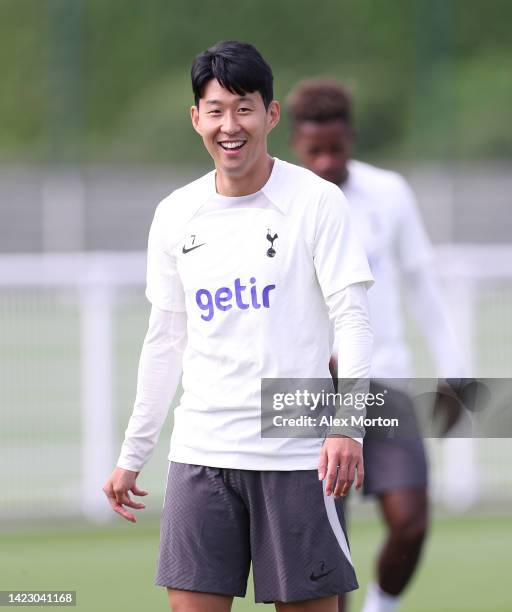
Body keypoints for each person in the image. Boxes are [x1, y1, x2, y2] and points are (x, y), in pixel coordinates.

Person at [103, 42, 375, 612]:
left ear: (271, 115)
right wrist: (134, 452)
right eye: (217, 109)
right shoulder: (176, 213)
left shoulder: (317, 203)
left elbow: (351, 318)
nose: (231, 125)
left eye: (245, 108)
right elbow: (165, 339)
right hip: (201, 453)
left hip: (296, 455)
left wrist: (348, 425)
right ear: (196, 118)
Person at [286, 79, 466, 612]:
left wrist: (455, 372)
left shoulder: (389, 193)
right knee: (323, 548)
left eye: (334, 149)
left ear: (352, 138)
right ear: (294, 141)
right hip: (306, 391)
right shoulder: (276, 200)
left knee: (410, 522)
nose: (324, 161)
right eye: (313, 150)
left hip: (384, 381)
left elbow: (423, 288)